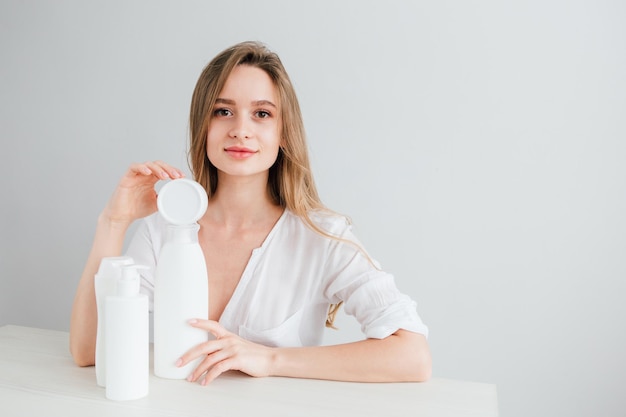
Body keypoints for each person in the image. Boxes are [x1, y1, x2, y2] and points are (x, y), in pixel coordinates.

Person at [70, 41, 431, 384]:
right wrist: (113, 221)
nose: (241, 130)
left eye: (261, 114)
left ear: (283, 132)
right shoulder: (163, 229)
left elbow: (413, 356)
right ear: (203, 127)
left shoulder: (321, 237)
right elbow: (88, 351)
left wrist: (269, 359)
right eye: (223, 111)